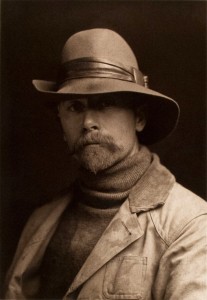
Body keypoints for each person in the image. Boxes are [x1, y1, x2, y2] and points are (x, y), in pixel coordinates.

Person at [4, 28, 207, 300]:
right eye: (75, 107)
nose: (88, 122)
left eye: (105, 104)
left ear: (139, 118)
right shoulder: (41, 221)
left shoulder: (189, 224)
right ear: (61, 123)